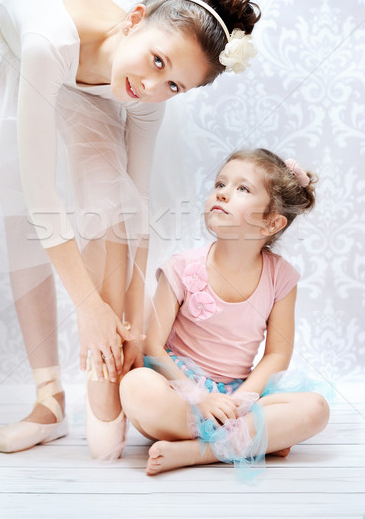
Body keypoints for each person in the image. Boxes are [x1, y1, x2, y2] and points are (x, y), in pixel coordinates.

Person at [0, 0, 260, 456]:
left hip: (99, 72)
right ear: (135, 20)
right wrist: (89, 310)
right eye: (158, 61)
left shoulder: (147, 90)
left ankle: (111, 372)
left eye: (174, 86)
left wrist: (134, 323)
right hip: (14, 48)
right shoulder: (48, 42)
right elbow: (42, 194)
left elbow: (137, 203)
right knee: (24, 215)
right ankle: (49, 399)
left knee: (108, 192)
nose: (150, 86)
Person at [119, 149, 330, 476]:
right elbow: (153, 348)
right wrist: (200, 399)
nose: (222, 192)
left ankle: (198, 452)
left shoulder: (281, 277)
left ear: (271, 223)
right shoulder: (182, 267)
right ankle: (252, 440)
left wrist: (241, 401)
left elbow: (277, 354)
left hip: (237, 394)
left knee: (316, 409)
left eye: (242, 188)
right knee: (135, 386)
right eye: (220, 183)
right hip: (182, 393)